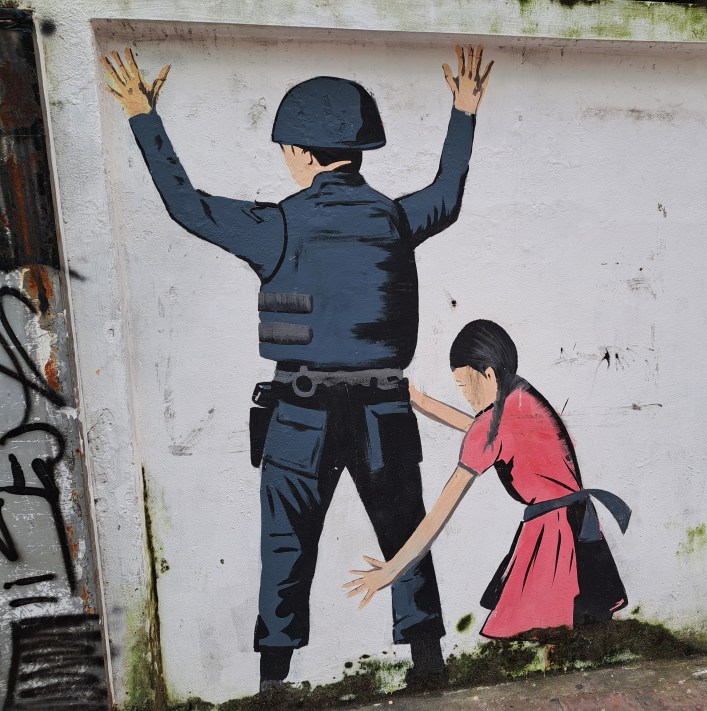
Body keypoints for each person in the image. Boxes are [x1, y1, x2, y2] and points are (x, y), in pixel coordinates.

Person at [101, 45, 493, 689]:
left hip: (301, 413)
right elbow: (447, 194)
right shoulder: (397, 219)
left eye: (287, 149)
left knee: (286, 546)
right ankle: (428, 665)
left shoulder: (277, 225)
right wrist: (464, 111)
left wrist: (144, 118)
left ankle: (274, 684)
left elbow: (187, 206)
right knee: (405, 534)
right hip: (383, 410)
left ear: (303, 153)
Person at [346, 320, 630, 639]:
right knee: (571, 629)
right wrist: (419, 400)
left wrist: (392, 569)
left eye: (464, 386)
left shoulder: (496, 423)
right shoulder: (522, 399)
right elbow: (483, 432)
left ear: (489, 375)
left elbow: (439, 513)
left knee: (540, 630)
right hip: (576, 522)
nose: (465, 396)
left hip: (554, 535)